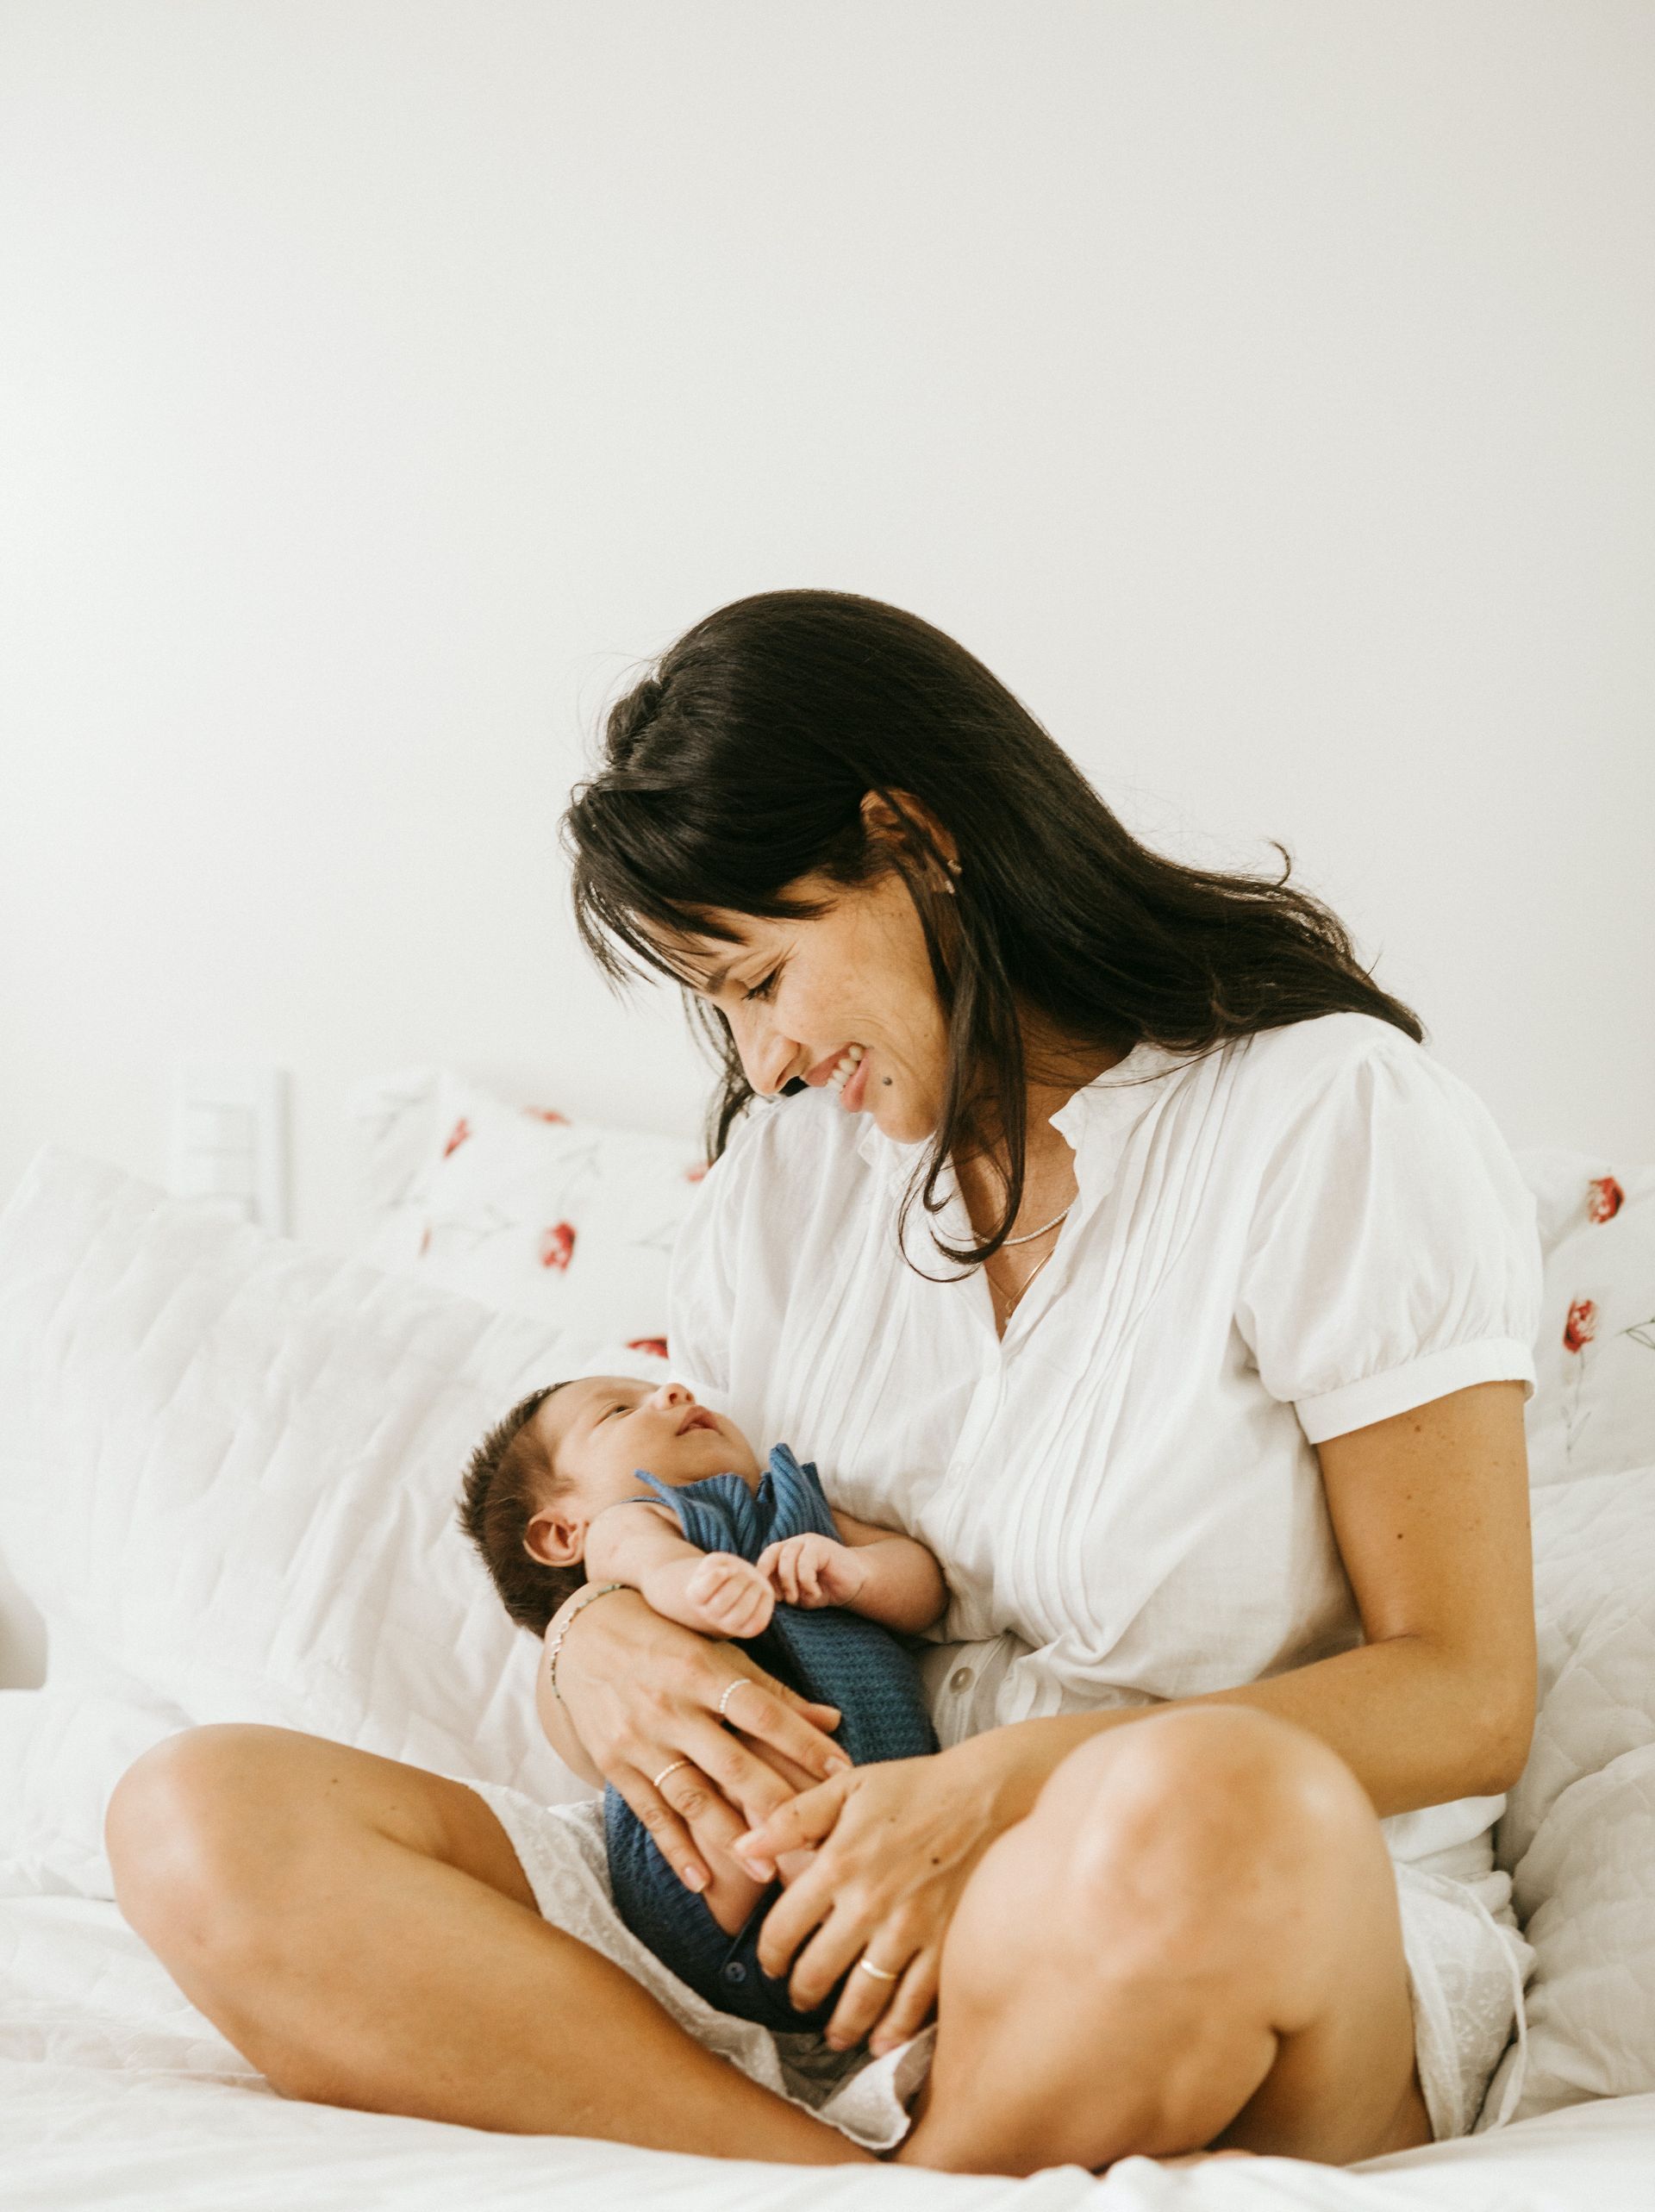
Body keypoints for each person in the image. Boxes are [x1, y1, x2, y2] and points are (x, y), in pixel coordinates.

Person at [104, 588, 1542, 2175]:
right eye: (718, 1008)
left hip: (1216, 1928)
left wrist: (1000, 1796)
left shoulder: (1329, 1118)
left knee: (1215, 1796)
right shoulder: (792, 1182)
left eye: (762, 977)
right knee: (198, 1815)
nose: (768, 1063)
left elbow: (1466, 1692)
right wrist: (595, 1641)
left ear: (910, 836)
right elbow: (697, 1551)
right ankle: (844, 2190)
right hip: (825, 1952)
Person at [453, 1371, 943, 2028]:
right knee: (733, 1763)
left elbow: (924, 1588)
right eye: (619, 1411)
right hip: (709, 1884)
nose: (673, 1392)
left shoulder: (797, 1504)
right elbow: (654, 1565)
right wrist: (699, 1585)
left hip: (893, 1831)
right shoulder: (629, 1527)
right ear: (563, 1533)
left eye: (658, 1387)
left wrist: (857, 1575)